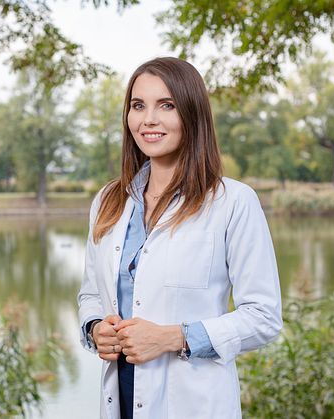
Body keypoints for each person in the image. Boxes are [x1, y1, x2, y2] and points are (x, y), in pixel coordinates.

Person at [77, 57, 282, 419]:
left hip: (195, 404)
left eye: (166, 105)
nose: (148, 119)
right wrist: (95, 328)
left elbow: (263, 317)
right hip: (121, 400)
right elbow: (92, 293)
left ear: (192, 114)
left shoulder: (232, 202)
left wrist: (175, 337)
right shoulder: (109, 201)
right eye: (138, 105)